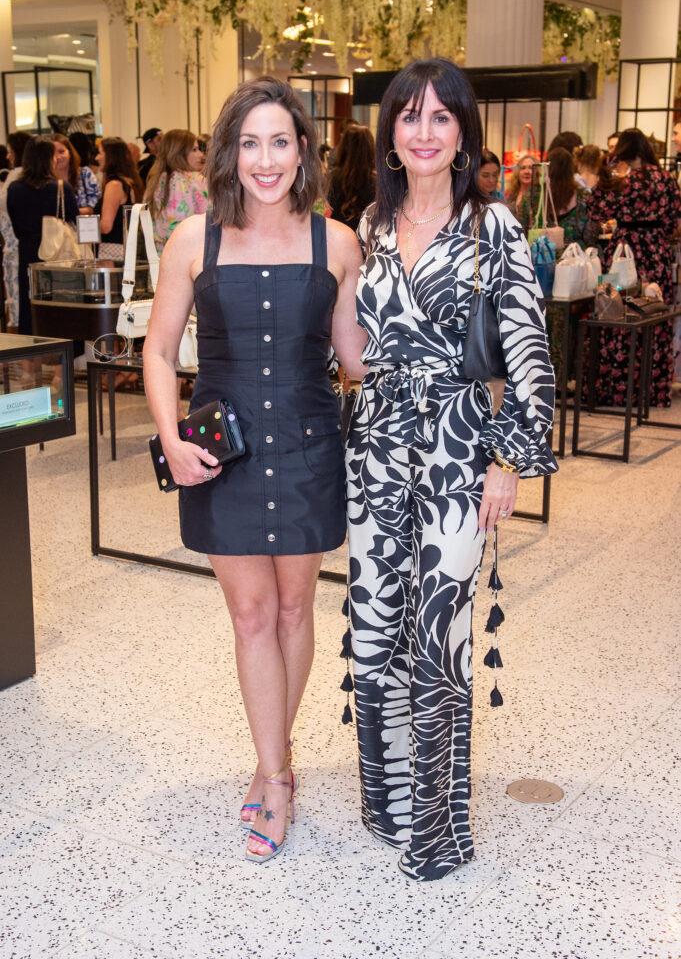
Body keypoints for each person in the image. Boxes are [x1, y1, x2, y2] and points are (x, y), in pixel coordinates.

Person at [143, 76, 366, 864]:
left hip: (308, 448)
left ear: (301, 149)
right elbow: (160, 348)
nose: (264, 159)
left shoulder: (335, 242)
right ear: (226, 154)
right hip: (222, 450)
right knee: (249, 616)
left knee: (296, 607)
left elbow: (352, 362)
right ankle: (275, 774)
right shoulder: (192, 240)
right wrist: (170, 436)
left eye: (279, 141)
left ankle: (277, 751)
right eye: (249, 143)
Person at [346, 57, 557, 883]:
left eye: (441, 118)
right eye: (409, 116)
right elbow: (352, 347)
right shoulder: (366, 223)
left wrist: (507, 454)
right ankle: (387, 803)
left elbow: (528, 347)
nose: (424, 132)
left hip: (459, 443)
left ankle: (435, 829)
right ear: (389, 131)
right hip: (375, 445)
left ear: (464, 132)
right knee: (375, 626)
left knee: (436, 633)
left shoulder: (492, 224)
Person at [587, 127, 681, 408]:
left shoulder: (624, 182)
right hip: (657, 253)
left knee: (615, 312)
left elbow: (595, 209)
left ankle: (615, 387)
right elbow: (673, 220)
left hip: (622, 252)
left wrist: (607, 174)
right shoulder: (667, 180)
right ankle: (652, 388)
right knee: (655, 314)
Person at [7, 136, 77, 334]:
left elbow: (16, 227)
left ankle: (28, 362)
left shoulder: (14, 189)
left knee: (29, 306)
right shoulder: (61, 188)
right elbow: (74, 221)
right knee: (60, 305)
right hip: (57, 254)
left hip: (27, 251)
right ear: (49, 159)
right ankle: (59, 362)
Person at [519, 147, 598, 251]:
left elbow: (520, 232)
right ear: (571, 170)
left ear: (546, 169)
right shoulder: (583, 197)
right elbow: (591, 237)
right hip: (574, 259)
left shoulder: (532, 196)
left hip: (540, 259)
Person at [144, 129, 208, 252]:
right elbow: (212, 219)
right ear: (179, 153)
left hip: (161, 256)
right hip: (193, 255)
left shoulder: (156, 180)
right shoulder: (195, 180)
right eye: (194, 150)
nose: (201, 155)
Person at [0, 131, 32, 330]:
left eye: (11, 151)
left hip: (14, 243)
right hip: (14, 242)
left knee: (17, 292)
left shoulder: (16, 177)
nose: (8, 155)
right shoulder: (20, 176)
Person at [95, 137, 144, 260]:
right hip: (125, 250)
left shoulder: (114, 185)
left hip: (111, 253)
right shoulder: (130, 183)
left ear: (111, 157)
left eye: (100, 153)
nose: (97, 158)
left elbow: (106, 226)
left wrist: (86, 228)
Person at [326, 124, 376, 230]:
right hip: (367, 241)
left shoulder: (330, 178)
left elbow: (319, 212)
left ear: (343, 147)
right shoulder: (379, 183)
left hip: (336, 239)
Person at [51, 133, 99, 214]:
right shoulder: (44, 179)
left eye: (61, 152)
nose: (57, 157)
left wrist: (65, 213)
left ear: (70, 153)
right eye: (52, 153)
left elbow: (95, 208)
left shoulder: (85, 174)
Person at [504, 152, 537, 221]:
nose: (527, 171)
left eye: (531, 168)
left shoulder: (539, 195)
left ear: (537, 172)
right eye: (523, 168)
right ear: (518, 172)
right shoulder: (510, 194)